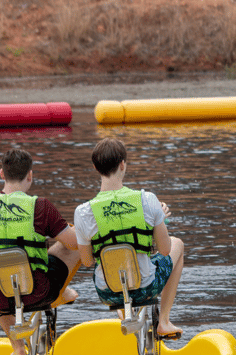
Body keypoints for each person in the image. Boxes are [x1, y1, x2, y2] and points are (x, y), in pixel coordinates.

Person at [0, 148, 80, 355]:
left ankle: (18, 348)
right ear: (30, 176)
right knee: (76, 243)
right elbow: (74, 243)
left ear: (1, 174)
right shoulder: (41, 207)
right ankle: (61, 293)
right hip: (37, 292)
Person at [74, 138, 184, 338]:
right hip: (145, 287)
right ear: (122, 164)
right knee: (178, 244)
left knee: (108, 265)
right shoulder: (147, 200)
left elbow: (88, 261)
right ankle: (164, 321)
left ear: (95, 167)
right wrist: (159, 219)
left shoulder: (82, 212)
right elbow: (165, 250)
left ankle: (123, 310)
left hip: (108, 292)